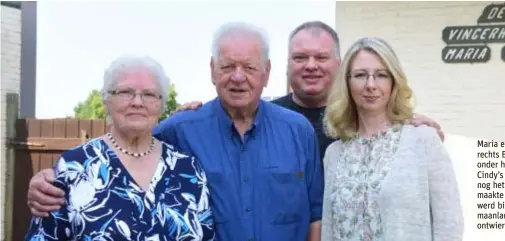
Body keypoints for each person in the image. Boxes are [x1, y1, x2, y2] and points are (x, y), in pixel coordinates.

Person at [26, 22, 323, 241]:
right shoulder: (179, 130)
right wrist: (47, 179)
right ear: (211, 70)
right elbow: (126, 142)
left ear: (267, 72)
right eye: (227, 65)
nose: (237, 77)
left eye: (248, 67)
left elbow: (315, 218)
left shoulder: (298, 132)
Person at [176, 21, 446, 161]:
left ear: (339, 65)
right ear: (284, 66)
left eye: (321, 57)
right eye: (301, 57)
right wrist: (191, 116)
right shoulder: (265, 115)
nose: (311, 66)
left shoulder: (361, 118)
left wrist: (405, 121)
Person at [24, 55, 215, 240]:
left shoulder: (187, 169)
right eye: (126, 92)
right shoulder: (76, 167)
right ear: (107, 100)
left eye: (149, 94)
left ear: (161, 104)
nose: (137, 102)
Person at [321, 37, 463, 241]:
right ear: (347, 82)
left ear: (393, 81)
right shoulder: (334, 153)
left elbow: (449, 225)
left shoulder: (423, 140)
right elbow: (328, 229)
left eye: (381, 75)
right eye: (360, 75)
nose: (371, 85)